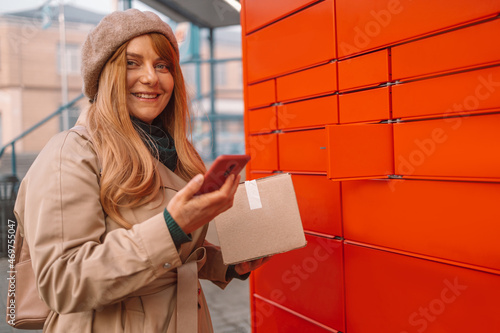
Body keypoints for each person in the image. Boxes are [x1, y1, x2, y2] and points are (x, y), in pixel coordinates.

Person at [14, 9, 269, 333]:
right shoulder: (71, 154)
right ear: (103, 75)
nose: (151, 77)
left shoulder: (175, 153)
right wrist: (171, 227)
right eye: (132, 63)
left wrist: (227, 265)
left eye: (162, 65)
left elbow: (169, 260)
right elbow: (63, 281)